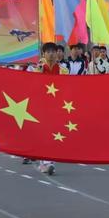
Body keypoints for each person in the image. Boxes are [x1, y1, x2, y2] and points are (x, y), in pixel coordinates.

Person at [37, 42, 68, 174]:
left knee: (54, 134)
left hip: (57, 106)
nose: (50, 54)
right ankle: (44, 161)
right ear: (43, 54)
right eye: (48, 51)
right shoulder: (37, 69)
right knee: (43, 133)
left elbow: (68, 89)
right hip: (41, 106)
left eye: (53, 51)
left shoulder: (63, 70)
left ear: (57, 54)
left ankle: (50, 161)